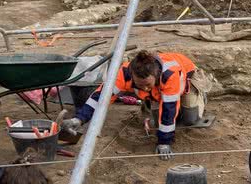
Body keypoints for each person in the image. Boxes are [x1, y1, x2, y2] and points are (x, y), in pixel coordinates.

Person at [61, 50, 199, 160]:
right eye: (140, 85)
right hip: (158, 91)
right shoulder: (123, 74)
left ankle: (199, 96)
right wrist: (79, 119)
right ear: (132, 76)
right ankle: (150, 102)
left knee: (189, 119)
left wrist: (164, 142)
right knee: (158, 122)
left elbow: (169, 109)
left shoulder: (169, 75)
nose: (144, 88)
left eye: (147, 84)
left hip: (186, 78)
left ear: (156, 75)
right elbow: (100, 97)